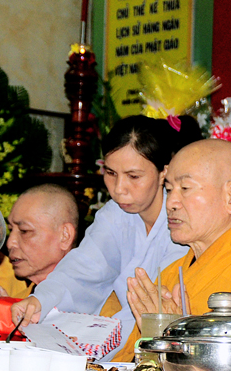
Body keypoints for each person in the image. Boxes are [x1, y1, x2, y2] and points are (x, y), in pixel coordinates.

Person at [11, 115, 201, 360]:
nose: (118, 188)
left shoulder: (182, 223)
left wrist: (92, 350)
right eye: (111, 173)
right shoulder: (114, 215)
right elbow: (82, 271)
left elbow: (155, 308)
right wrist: (39, 301)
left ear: (164, 171)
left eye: (133, 176)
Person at [112, 139, 231, 362]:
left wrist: (179, 340)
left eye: (185, 188)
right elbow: (133, 360)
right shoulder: (171, 274)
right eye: (169, 189)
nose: (171, 203)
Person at [0, 183, 79, 298]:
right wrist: (4, 309)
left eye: (24, 231)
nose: (10, 243)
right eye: (11, 230)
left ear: (65, 236)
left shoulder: (85, 298)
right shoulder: (23, 298)